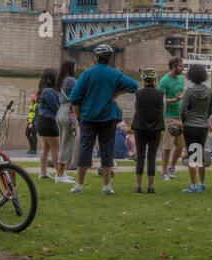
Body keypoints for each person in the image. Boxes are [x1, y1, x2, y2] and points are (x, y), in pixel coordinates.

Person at [68, 45, 139, 195]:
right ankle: (106, 186)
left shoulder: (87, 74)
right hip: (108, 118)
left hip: (88, 117)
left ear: (96, 57)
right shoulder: (115, 74)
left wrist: (80, 116)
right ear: (110, 59)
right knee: (107, 150)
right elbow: (134, 86)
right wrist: (117, 93)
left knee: (85, 149)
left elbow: (74, 99)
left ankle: (79, 184)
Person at [178, 63, 212, 192]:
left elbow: (182, 109)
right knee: (200, 154)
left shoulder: (189, 92)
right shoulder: (209, 91)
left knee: (192, 155)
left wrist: (184, 120)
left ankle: (193, 185)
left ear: (191, 77)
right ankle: (201, 183)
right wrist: (205, 117)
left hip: (190, 125)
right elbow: (211, 108)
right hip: (203, 126)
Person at [132, 68, 165, 192]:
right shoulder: (161, 94)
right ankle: (150, 187)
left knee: (140, 156)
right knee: (151, 157)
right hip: (155, 128)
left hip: (140, 127)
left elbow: (136, 108)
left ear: (143, 80)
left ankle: (138, 186)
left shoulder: (137, 93)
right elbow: (163, 110)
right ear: (155, 80)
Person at [157, 57, 185, 180]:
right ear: (173, 67)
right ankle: (163, 172)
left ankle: (171, 167)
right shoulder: (164, 81)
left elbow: (181, 93)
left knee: (180, 146)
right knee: (167, 146)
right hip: (167, 117)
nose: (182, 68)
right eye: (180, 66)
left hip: (179, 117)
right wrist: (175, 100)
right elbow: (159, 99)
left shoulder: (181, 79)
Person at [33, 68, 61, 179]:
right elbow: (56, 108)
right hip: (49, 122)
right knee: (56, 148)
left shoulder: (43, 91)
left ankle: (43, 173)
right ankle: (60, 173)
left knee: (46, 148)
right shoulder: (49, 91)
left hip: (42, 121)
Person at [54, 59, 78, 183]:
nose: (76, 68)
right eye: (75, 66)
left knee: (63, 143)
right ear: (71, 67)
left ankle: (62, 172)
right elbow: (80, 92)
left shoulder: (60, 79)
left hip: (60, 111)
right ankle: (59, 175)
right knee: (67, 144)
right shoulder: (71, 80)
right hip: (69, 111)